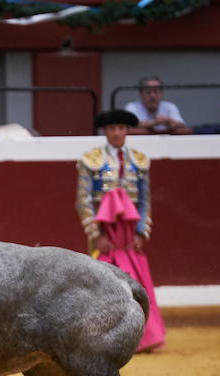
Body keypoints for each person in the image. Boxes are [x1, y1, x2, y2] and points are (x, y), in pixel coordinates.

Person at [75, 109, 165, 352]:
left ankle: (145, 336)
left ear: (127, 131)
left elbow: (144, 201)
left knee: (137, 281)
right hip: (105, 234)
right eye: (113, 128)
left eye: (121, 128)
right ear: (106, 131)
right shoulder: (90, 160)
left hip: (128, 236)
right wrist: (97, 235)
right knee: (102, 283)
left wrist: (140, 232)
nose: (117, 133)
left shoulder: (139, 160)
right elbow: (84, 201)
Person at [124, 76, 191, 135]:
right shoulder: (132, 107)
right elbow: (129, 127)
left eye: (156, 91)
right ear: (141, 94)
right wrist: (155, 122)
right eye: (148, 92)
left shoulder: (169, 106)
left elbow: (182, 126)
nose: (152, 96)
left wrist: (169, 121)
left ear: (161, 93)